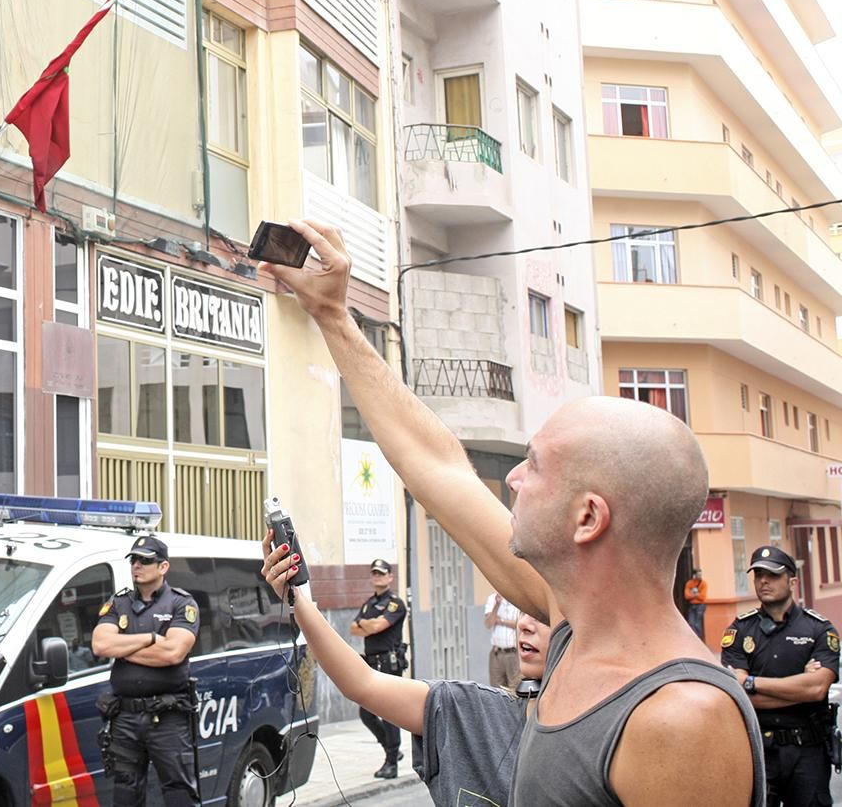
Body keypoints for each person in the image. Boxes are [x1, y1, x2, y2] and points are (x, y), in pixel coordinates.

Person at [263, 219, 764, 806]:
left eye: (535, 465)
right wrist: (333, 315)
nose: (516, 480)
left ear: (588, 519)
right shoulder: (572, 629)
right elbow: (439, 465)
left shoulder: (681, 718)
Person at [261, 538, 554, 807]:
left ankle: (392, 755)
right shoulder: (470, 711)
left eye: (544, 615)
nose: (526, 624)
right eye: (524, 609)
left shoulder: (596, 740)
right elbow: (362, 682)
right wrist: (295, 598)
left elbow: (373, 627)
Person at [720, 545, 839, 807]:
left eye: (773, 575)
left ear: (792, 581)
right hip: (758, 750)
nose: (764, 581)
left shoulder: (819, 629)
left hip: (807, 750)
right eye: (759, 575)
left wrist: (751, 683)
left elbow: (816, 690)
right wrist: (798, 687)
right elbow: (736, 695)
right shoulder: (739, 631)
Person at [91, 535, 201, 807]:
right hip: (125, 716)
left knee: (178, 793)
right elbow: (101, 644)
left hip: (167, 717)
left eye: (145, 560)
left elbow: (173, 652)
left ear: (163, 567)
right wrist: (149, 639)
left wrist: (124, 649)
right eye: (134, 560)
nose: (137, 566)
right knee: (125, 792)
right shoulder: (119, 603)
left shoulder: (181, 604)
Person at [351, 557, 408, 779]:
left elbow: (377, 626)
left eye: (382, 573)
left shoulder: (395, 603)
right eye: (375, 573)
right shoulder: (368, 604)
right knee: (366, 713)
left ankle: (391, 763)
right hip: (371, 664)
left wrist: (368, 625)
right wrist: (369, 626)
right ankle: (391, 749)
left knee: (389, 714)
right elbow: (353, 629)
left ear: (390, 577)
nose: (378, 577)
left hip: (389, 663)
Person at [485, 591, 522, 691]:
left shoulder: (518, 599)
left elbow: (519, 624)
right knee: (495, 690)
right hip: (497, 653)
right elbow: (488, 623)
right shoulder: (492, 599)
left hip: (513, 653)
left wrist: (500, 620)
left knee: (515, 688)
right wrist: (496, 606)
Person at [685, 566, 708, 637]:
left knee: (697, 624)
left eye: (700, 574)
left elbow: (703, 597)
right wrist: (697, 594)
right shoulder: (689, 583)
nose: (700, 576)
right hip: (691, 605)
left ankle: (699, 638)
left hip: (700, 605)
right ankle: (693, 638)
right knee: (691, 623)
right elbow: (687, 596)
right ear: (694, 575)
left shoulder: (703, 583)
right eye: (698, 575)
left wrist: (693, 595)